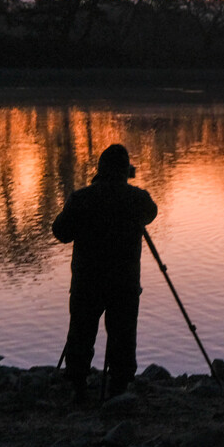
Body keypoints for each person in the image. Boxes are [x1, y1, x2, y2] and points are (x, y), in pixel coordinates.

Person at [53, 144, 157, 402]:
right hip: (124, 283)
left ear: (99, 169)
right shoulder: (138, 199)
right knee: (123, 334)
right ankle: (119, 388)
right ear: (125, 171)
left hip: (87, 281)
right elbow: (151, 212)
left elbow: (61, 232)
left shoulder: (82, 198)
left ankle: (78, 385)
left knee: (81, 332)